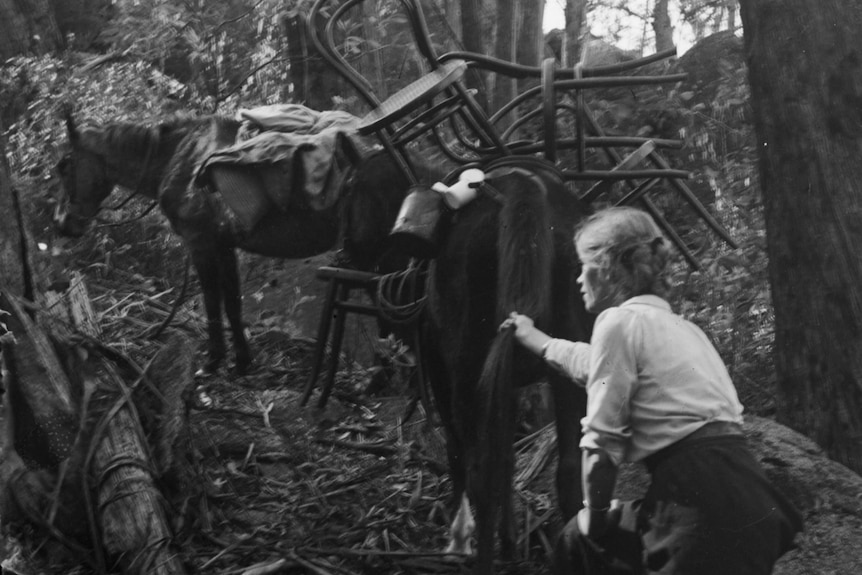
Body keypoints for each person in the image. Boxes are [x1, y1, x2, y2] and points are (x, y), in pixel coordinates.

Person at [500, 206, 802, 574]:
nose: (578, 279)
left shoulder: (618, 321)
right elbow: (592, 363)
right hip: (751, 497)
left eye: (584, 265)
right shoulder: (684, 330)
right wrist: (536, 339)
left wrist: (593, 516)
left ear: (610, 267)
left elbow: (600, 447)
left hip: (696, 504)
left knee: (576, 541)